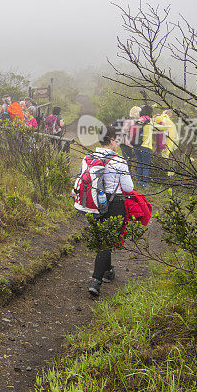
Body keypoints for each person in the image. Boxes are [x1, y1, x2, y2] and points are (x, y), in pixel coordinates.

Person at [86, 125, 134, 297]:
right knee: (106, 241)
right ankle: (95, 280)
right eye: (117, 140)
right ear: (112, 140)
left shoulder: (89, 157)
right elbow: (129, 187)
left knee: (104, 237)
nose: (118, 144)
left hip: (93, 204)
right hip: (114, 204)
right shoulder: (119, 161)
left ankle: (108, 271)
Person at [133, 105, 154, 186]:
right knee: (146, 165)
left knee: (140, 163)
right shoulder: (150, 121)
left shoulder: (139, 120)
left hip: (136, 145)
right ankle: (145, 183)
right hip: (146, 146)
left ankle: (140, 181)